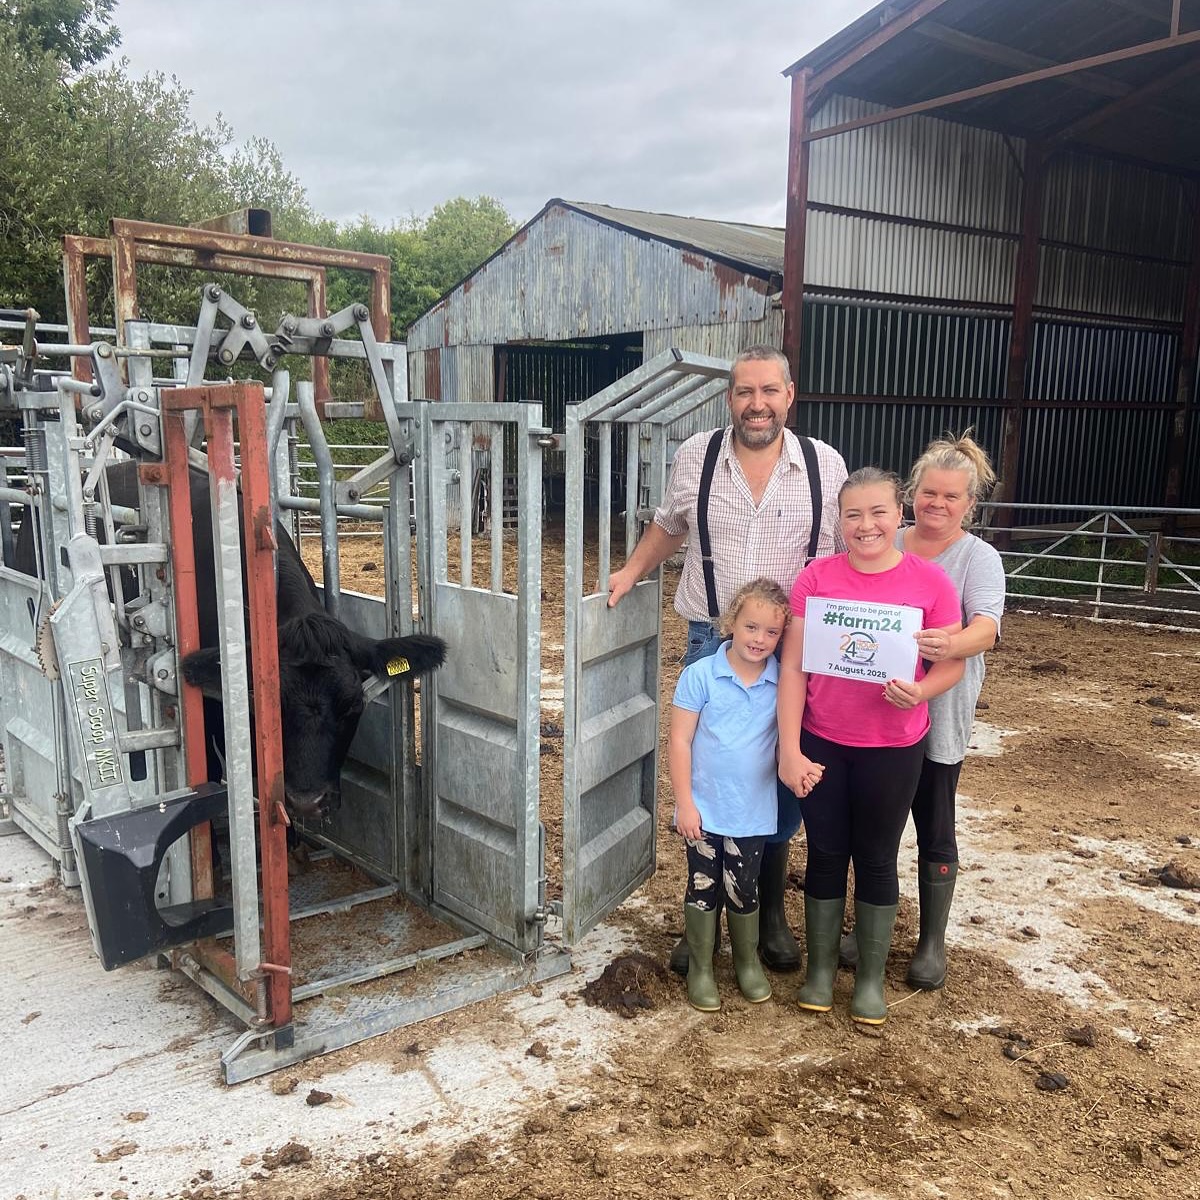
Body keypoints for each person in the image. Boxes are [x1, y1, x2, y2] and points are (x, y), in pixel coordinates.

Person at [607, 344, 848, 975]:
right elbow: (669, 525)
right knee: (715, 769)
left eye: (769, 391)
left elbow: (846, 556)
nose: (757, 404)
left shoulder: (824, 465)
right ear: (730, 397)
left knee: (780, 766)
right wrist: (632, 570)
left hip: (793, 651)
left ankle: (766, 910)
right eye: (745, 392)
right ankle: (704, 918)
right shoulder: (698, 455)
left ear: (789, 396)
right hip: (712, 641)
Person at [777, 467, 965, 1025]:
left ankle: (869, 982)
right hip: (823, 740)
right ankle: (819, 971)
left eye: (878, 512)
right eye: (853, 514)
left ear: (899, 514)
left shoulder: (930, 583)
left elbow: (951, 660)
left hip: (893, 743)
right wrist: (790, 748)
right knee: (827, 851)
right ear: (839, 521)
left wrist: (923, 690)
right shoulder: (815, 579)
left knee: (879, 857)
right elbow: (792, 665)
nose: (866, 526)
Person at [839, 432, 1005, 991]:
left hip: (941, 701)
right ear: (912, 495)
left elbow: (987, 624)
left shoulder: (978, 558)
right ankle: (865, 926)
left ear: (970, 505)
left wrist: (949, 646)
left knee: (935, 819)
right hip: (874, 706)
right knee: (872, 822)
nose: (938, 505)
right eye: (929, 494)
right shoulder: (886, 539)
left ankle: (932, 939)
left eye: (951, 497)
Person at [669, 578, 791, 1010]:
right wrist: (685, 802)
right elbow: (680, 741)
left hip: (751, 810)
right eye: (751, 627)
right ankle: (702, 967)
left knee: (743, 885)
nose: (760, 639)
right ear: (731, 624)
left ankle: (745, 962)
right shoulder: (700, 675)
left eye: (772, 632)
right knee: (703, 883)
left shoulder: (783, 683)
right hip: (703, 808)